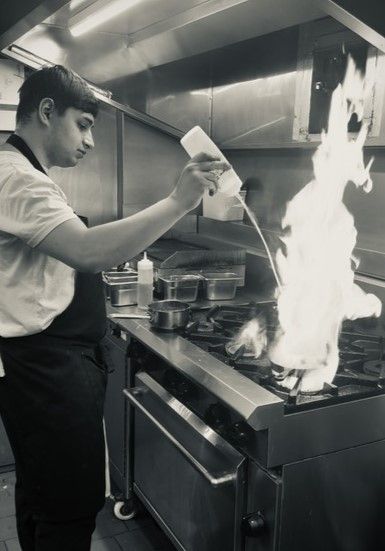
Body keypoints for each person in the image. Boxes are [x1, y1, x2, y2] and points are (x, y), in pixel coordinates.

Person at [0, 64, 229, 551]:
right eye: (83, 125)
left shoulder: (21, 172)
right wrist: (177, 201)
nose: (90, 142)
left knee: (44, 496)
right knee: (65, 511)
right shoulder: (19, 180)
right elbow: (89, 251)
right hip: (49, 373)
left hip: (43, 368)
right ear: (46, 111)